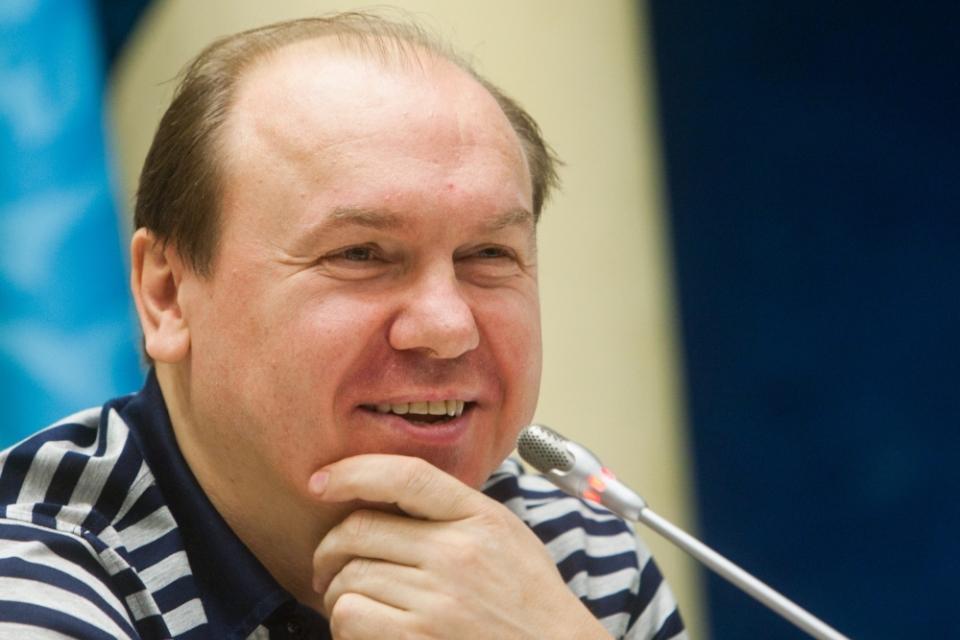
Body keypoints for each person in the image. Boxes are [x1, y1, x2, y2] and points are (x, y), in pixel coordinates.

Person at [0, 13, 685, 639]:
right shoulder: (32, 578)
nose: (448, 327)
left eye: (487, 255)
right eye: (360, 255)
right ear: (168, 295)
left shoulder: (572, 557)